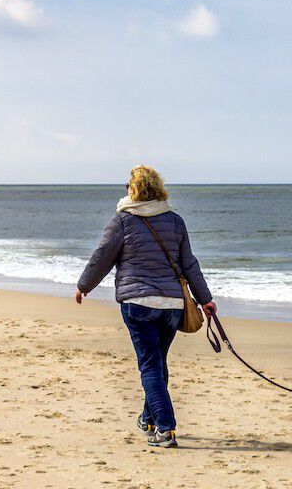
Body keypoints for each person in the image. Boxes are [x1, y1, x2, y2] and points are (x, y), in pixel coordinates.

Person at [75, 165, 216, 448]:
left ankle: (165, 428)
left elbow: (102, 255)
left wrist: (83, 285)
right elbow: (189, 263)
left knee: (150, 365)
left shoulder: (123, 220)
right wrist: (205, 298)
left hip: (138, 303)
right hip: (173, 305)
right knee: (157, 362)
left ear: (134, 190)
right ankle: (148, 419)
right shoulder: (175, 221)